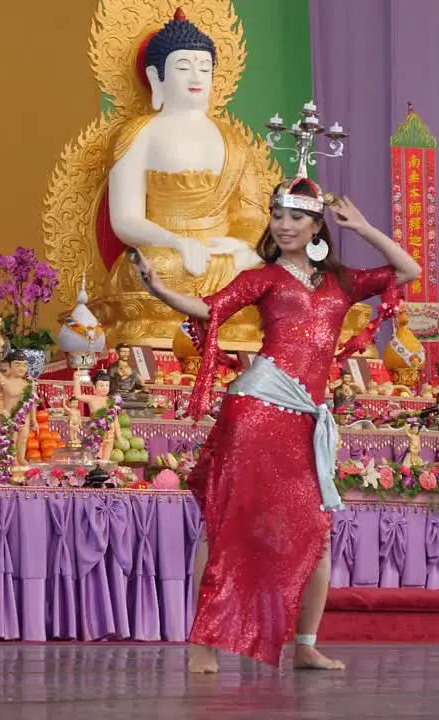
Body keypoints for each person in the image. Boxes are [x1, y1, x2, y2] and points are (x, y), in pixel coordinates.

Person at [138, 176, 419, 673]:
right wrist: (161, 290)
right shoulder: (264, 277)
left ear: (316, 225)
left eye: (295, 217)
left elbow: (408, 269)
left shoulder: (343, 283)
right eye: (277, 215)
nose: (283, 225)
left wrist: (367, 228)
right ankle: (202, 644)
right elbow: (209, 308)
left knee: (317, 529)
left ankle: (305, 644)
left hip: (305, 419)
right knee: (225, 524)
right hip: (256, 408)